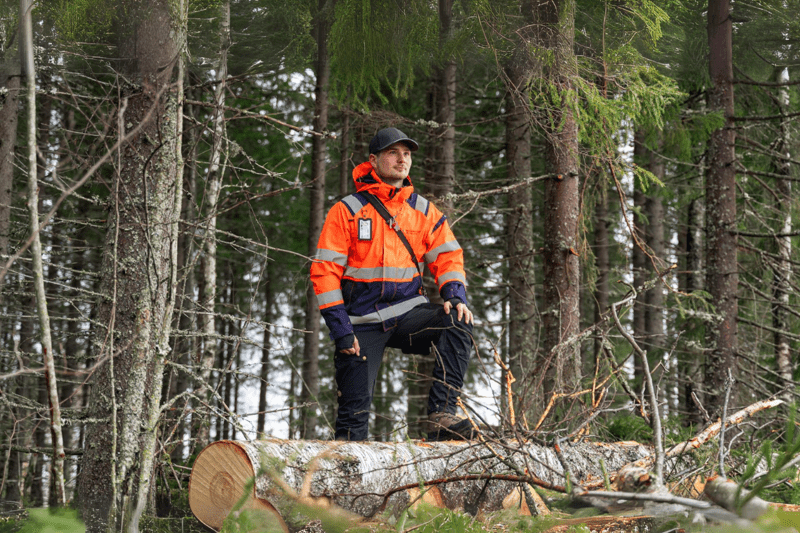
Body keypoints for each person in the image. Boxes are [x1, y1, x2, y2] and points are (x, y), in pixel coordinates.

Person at [310, 126, 478, 441]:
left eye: (407, 154)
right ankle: (347, 479)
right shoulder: (346, 211)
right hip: (360, 324)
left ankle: (442, 414)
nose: (402, 160)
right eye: (392, 153)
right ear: (373, 160)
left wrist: (454, 295)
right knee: (351, 426)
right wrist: (342, 331)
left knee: (458, 318)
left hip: (407, 314)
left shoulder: (424, 212)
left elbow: (449, 256)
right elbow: (324, 273)